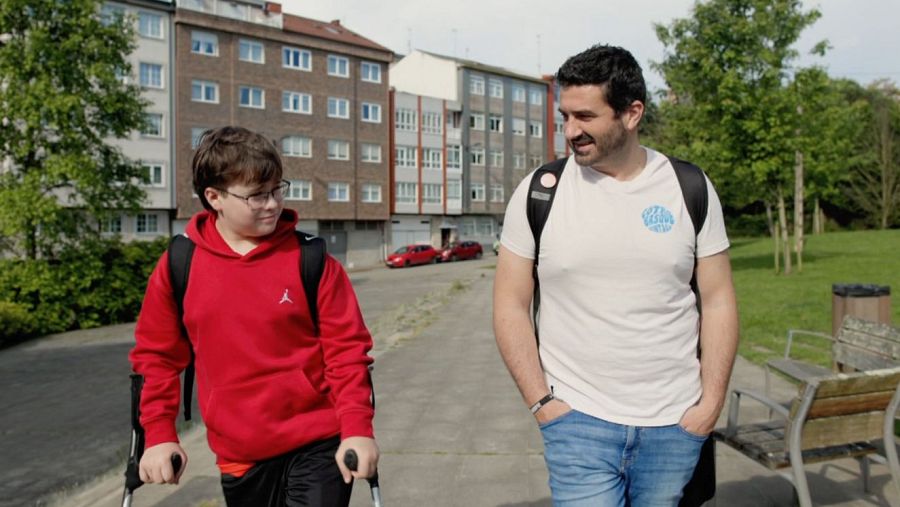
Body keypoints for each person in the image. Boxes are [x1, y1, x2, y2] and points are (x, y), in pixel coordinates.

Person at [493, 44, 739, 506]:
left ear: (632, 113)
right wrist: (543, 405)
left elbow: (720, 299)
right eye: (564, 116)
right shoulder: (539, 193)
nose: (570, 131)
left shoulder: (689, 187)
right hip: (577, 423)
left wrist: (710, 405)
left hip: (675, 424)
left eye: (585, 117)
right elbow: (509, 303)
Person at [130, 126, 378, 506]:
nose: (273, 204)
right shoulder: (180, 264)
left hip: (318, 442)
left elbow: (347, 351)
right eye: (257, 195)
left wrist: (358, 429)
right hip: (240, 454)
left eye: (278, 189)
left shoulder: (311, 260)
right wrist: (159, 434)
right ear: (214, 197)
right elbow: (157, 358)